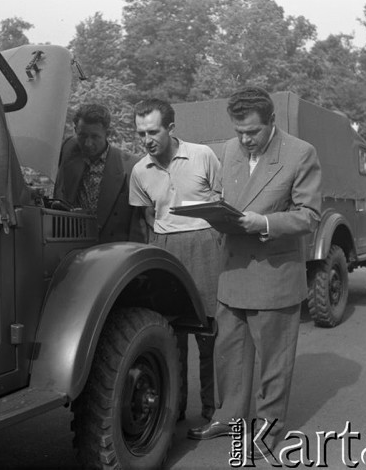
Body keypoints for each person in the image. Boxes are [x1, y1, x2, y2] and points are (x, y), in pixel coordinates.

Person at [187, 86, 322, 461]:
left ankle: (267, 430)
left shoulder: (300, 153)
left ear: (272, 122)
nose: (245, 140)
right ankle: (229, 420)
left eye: (253, 132)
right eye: (239, 131)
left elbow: (310, 216)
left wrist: (263, 221)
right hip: (232, 271)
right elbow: (225, 195)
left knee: (273, 362)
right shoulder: (229, 150)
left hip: (273, 275)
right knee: (229, 355)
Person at [129, 98, 222, 422]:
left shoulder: (203, 156)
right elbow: (147, 216)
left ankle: (213, 410)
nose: (146, 139)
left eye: (153, 131)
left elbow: (223, 203)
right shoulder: (140, 170)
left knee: (209, 333)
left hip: (205, 245)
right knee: (171, 332)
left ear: (170, 128)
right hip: (166, 249)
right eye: (141, 133)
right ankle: (174, 410)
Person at [53, 103, 143, 243]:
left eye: (95, 137)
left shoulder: (131, 167)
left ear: (108, 133)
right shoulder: (68, 148)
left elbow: (138, 225)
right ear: (76, 130)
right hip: (71, 245)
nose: (88, 143)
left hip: (111, 250)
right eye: (82, 136)